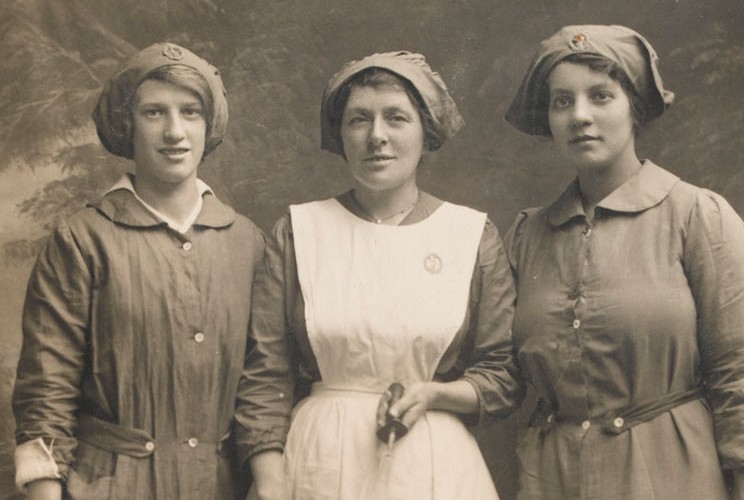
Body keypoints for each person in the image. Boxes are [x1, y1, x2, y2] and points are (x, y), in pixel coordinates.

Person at [503, 25, 744, 499]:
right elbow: (501, 375)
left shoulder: (698, 218)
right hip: (554, 479)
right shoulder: (527, 235)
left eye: (601, 96)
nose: (580, 117)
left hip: (672, 474)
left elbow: (742, 386)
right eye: (562, 102)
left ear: (634, 107)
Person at [12, 42, 292, 499]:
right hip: (106, 485)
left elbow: (265, 382)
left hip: (219, 487)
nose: (175, 132)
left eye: (191, 112)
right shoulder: (82, 240)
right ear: (127, 123)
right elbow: (47, 387)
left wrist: (269, 482)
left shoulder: (247, 242)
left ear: (209, 123)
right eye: (154, 113)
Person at [237, 51, 519, 500]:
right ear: (341, 135)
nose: (377, 137)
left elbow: (501, 375)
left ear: (426, 133)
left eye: (396, 118)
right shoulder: (298, 232)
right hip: (316, 464)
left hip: (433, 464)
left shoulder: (471, 235)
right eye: (359, 120)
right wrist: (271, 481)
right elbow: (265, 376)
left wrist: (431, 394)